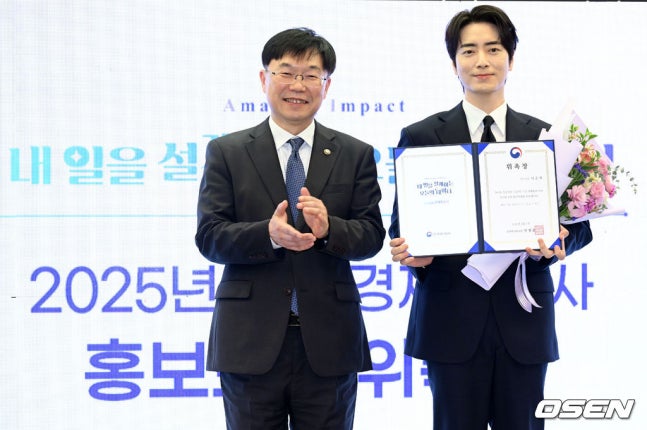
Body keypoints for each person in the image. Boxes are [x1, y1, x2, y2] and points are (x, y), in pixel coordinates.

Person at [388, 5, 593, 430]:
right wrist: (413, 254)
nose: (481, 60)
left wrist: (560, 240)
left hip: (524, 321)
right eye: (469, 51)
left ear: (510, 59)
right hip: (450, 320)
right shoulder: (421, 136)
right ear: (454, 63)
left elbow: (580, 226)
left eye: (493, 49)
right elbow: (401, 227)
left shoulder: (544, 138)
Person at [195, 27, 385, 430]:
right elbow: (210, 236)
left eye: (311, 75)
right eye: (286, 72)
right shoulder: (227, 152)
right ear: (264, 78)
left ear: (326, 86)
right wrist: (268, 234)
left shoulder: (355, 154)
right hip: (249, 341)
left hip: (329, 342)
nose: (298, 85)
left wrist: (329, 228)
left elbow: (371, 236)